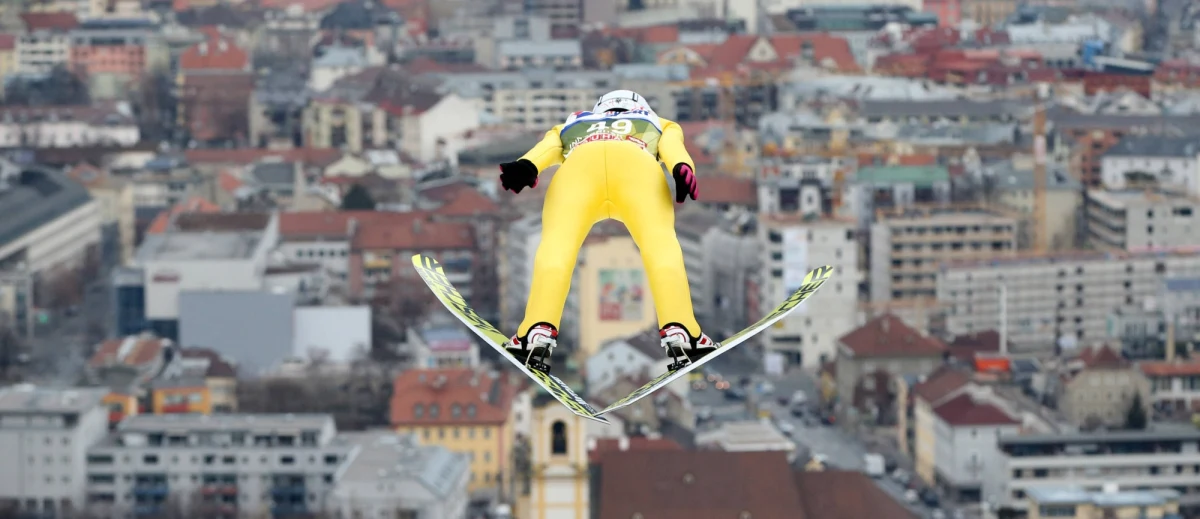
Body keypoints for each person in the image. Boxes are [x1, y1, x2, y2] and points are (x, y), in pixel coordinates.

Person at [498, 90, 718, 373]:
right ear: (640, 107)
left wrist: (527, 166)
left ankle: (535, 334)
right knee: (661, 248)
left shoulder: (575, 120)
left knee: (556, 248)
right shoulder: (658, 122)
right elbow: (675, 149)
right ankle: (682, 332)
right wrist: (682, 169)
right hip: (637, 169)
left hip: (578, 171)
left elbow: (546, 149)